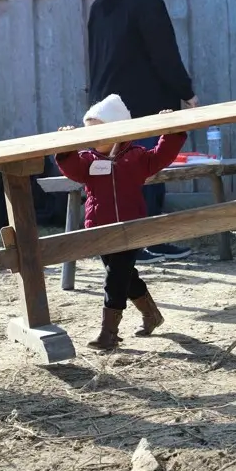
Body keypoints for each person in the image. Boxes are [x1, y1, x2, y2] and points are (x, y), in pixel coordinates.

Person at [88, 0, 197, 264]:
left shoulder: (101, 4)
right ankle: (147, 242)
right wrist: (187, 92)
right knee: (146, 172)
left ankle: (128, 243)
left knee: (119, 179)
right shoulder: (146, 3)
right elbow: (164, 56)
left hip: (106, 108)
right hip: (144, 107)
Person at [55, 94, 186, 349]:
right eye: (89, 133)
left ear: (119, 130)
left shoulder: (136, 157)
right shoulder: (87, 161)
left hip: (131, 228)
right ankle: (152, 315)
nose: (94, 139)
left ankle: (108, 333)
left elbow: (162, 155)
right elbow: (71, 168)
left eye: (100, 132)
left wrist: (172, 129)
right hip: (101, 230)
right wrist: (65, 145)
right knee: (125, 277)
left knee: (115, 278)